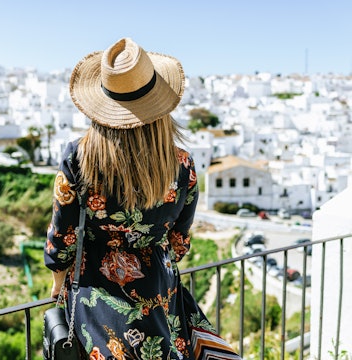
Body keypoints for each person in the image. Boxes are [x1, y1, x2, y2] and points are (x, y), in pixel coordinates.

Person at [44, 37, 242, 360]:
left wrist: (57, 280)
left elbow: (61, 240)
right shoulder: (183, 166)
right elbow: (178, 243)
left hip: (97, 308)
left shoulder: (78, 160)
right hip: (161, 299)